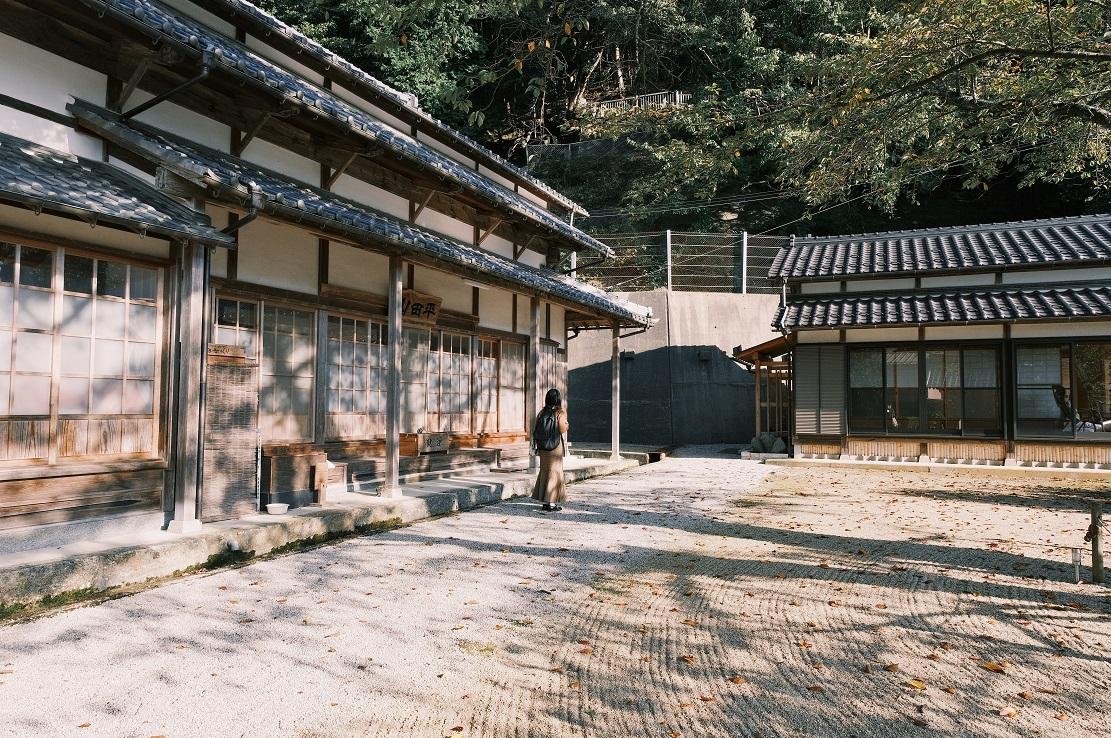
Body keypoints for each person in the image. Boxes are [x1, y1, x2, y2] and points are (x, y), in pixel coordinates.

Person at [531, 388, 569, 511]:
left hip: (543, 447)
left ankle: (545, 502)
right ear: (558, 399)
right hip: (554, 447)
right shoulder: (560, 413)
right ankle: (551, 504)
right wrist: (567, 425)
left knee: (545, 471)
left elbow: (536, 428)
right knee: (555, 473)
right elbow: (562, 429)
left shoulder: (542, 412)